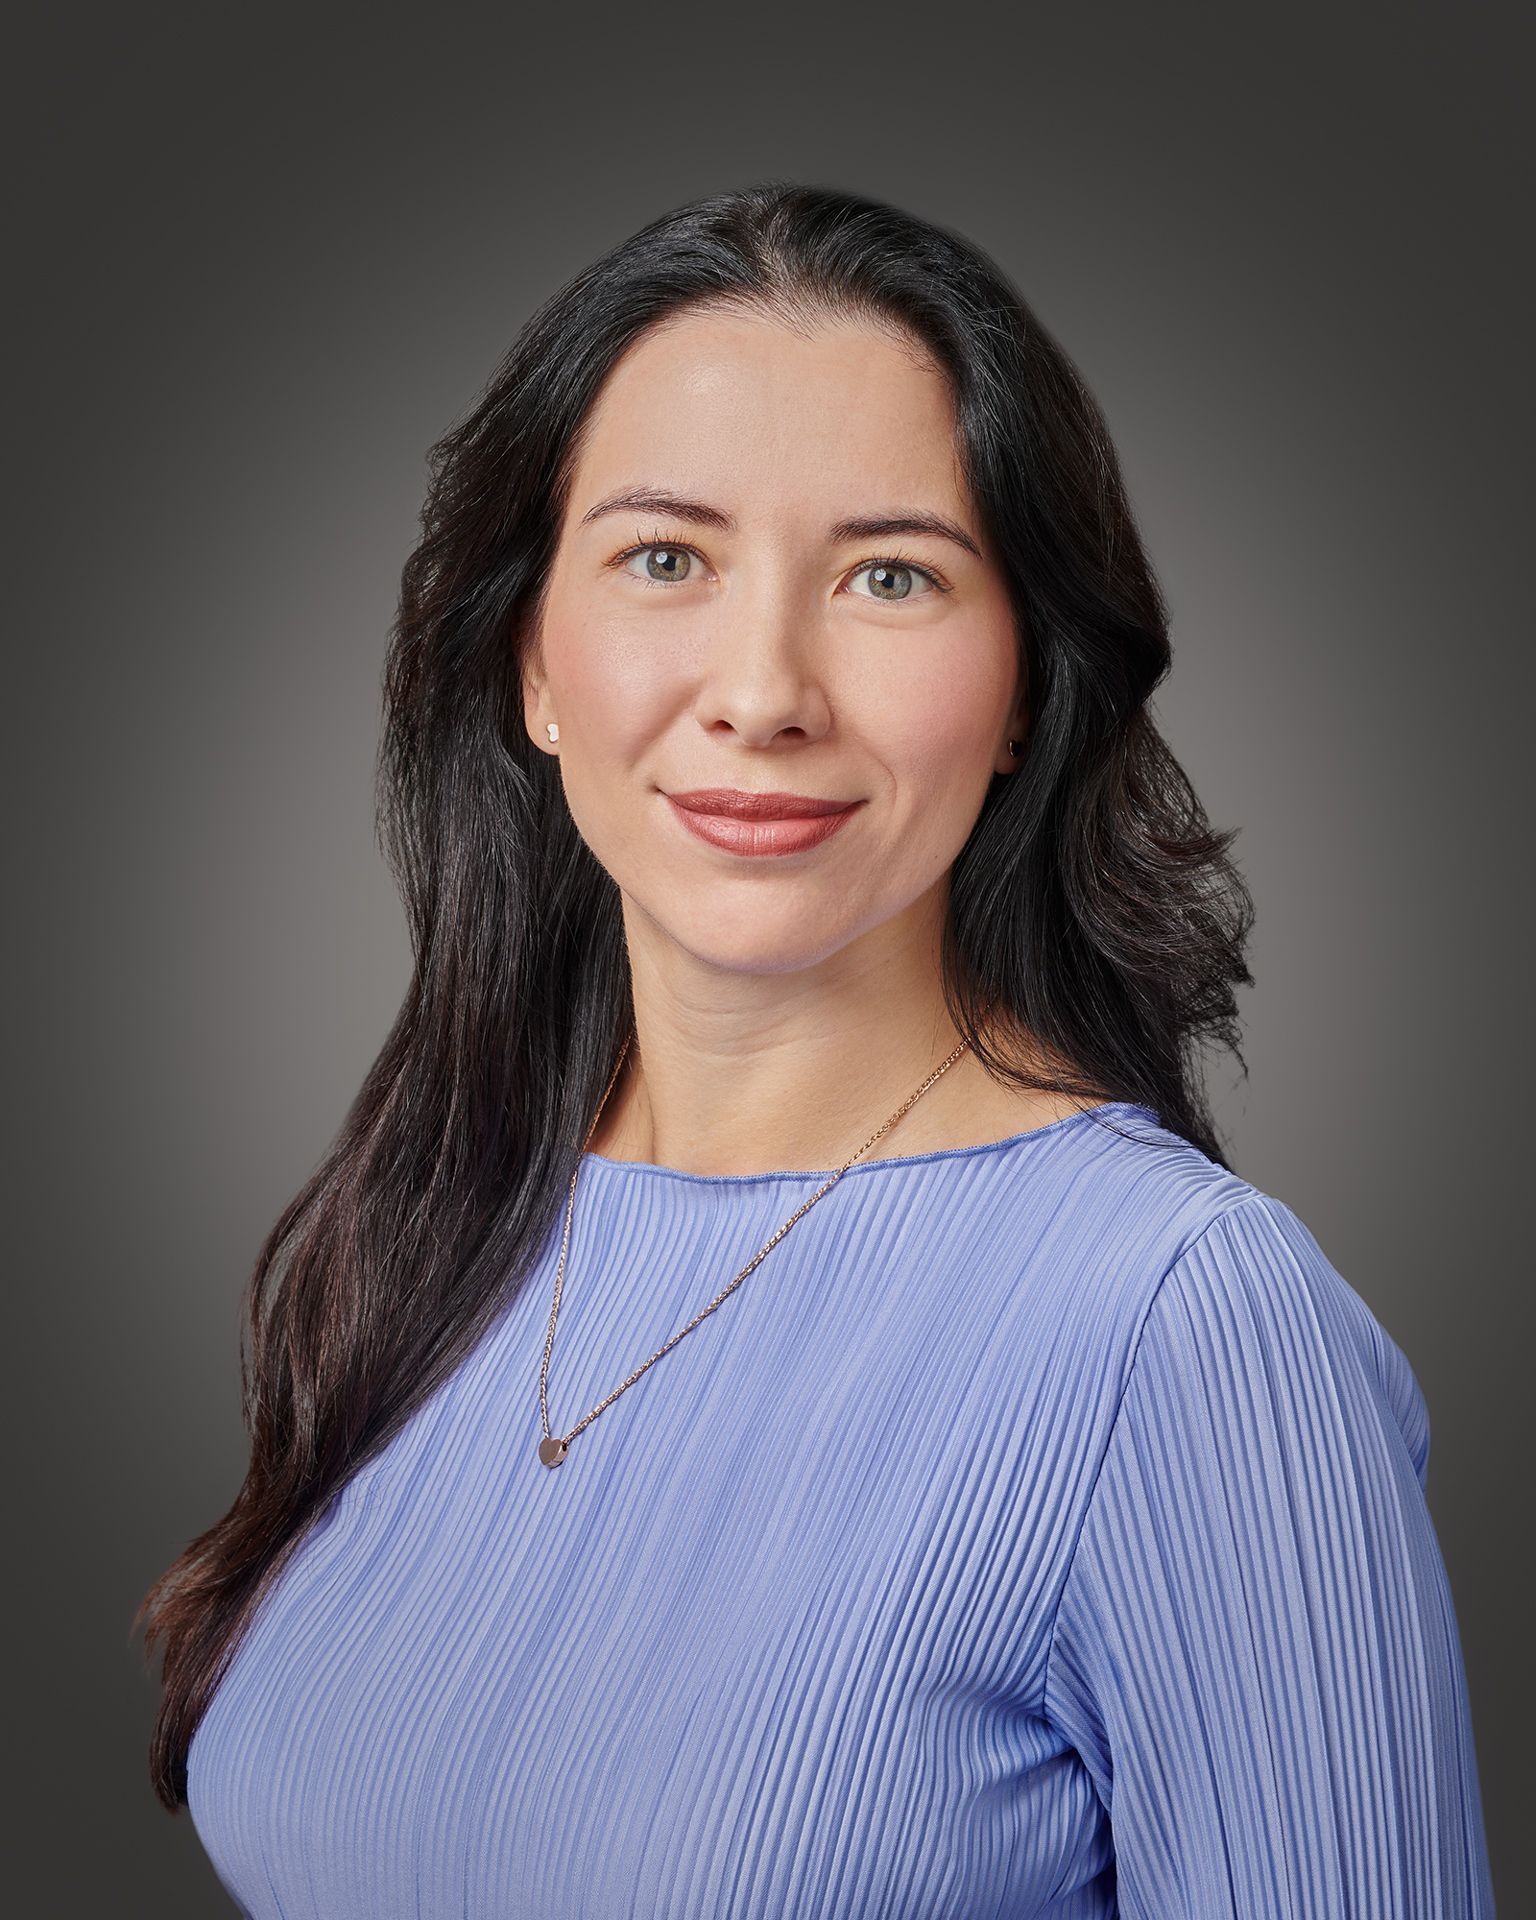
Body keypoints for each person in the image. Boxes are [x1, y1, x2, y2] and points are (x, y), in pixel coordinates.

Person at [135, 181, 1495, 1917]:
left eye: (890, 574)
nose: (763, 686)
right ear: (534, 665)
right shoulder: (441, 1215)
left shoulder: (1185, 1326)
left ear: (1021, 689)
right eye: (664, 557)